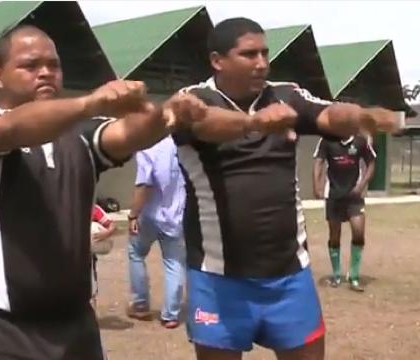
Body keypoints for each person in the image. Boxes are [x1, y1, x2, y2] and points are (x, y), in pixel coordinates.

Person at [0, 24, 201, 360]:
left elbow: (127, 134)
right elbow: (12, 128)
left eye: (54, 65)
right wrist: (91, 102)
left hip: (76, 327)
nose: (46, 73)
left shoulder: (78, 135)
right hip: (2, 330)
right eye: (31, 65)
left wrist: (165, 114)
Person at [172, 17, 401, 360]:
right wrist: (255, 123)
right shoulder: (194, 99)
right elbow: (203, 124)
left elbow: (326, 114)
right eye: (249, 54)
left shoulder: (285, 95)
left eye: (265, 53)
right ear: (218, 60)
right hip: (218, 277)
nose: (262, 63)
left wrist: (359, 115)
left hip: (289, 276)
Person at [126, 135, 186, 329]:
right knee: (174, 262)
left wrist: (133, 215)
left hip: (150, 215)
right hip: (177, 215)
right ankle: (170, 315)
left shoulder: (148, 145)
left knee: (136, 253)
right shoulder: (184, 145)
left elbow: (144, 184)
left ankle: (140, 304)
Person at [313, 134, 376, 292]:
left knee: (359, 232)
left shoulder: (360, 141)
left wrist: (361, 186)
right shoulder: (327, 140)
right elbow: (318, 162)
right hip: (333, 195)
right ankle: (336, 275)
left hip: (354, 195)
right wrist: (316, 185)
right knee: (334, 235)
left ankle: (354, 276)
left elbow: (371, 163)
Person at [90, 203, 117, 308]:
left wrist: (106, 233)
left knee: (91, 284)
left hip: (88, 256)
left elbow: (112, 225)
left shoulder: (93, 208)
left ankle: (91, 312)